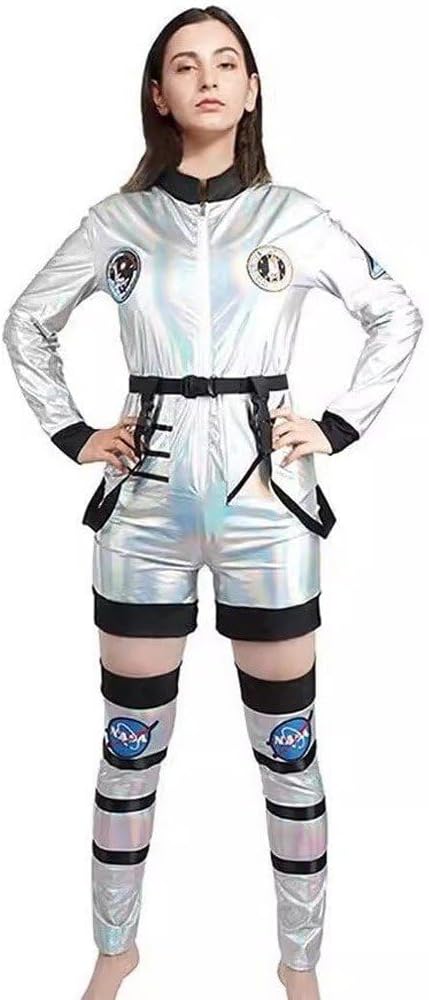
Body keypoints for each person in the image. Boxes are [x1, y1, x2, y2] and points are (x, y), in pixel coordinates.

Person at [2, 7, 423, 1000]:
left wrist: (336, 426)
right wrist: (73, 432)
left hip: (267, 505)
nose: (207, 78)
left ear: (251, 86)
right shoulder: (115, 223)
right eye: (184, 65)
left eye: (226, 62)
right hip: (143, 506)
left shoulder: (294, 216)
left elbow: (395, 314)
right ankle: (114, 949)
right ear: (158, 94)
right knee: (128, 743)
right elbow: (26, 323)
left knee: (289, 746)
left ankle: (299, 965)